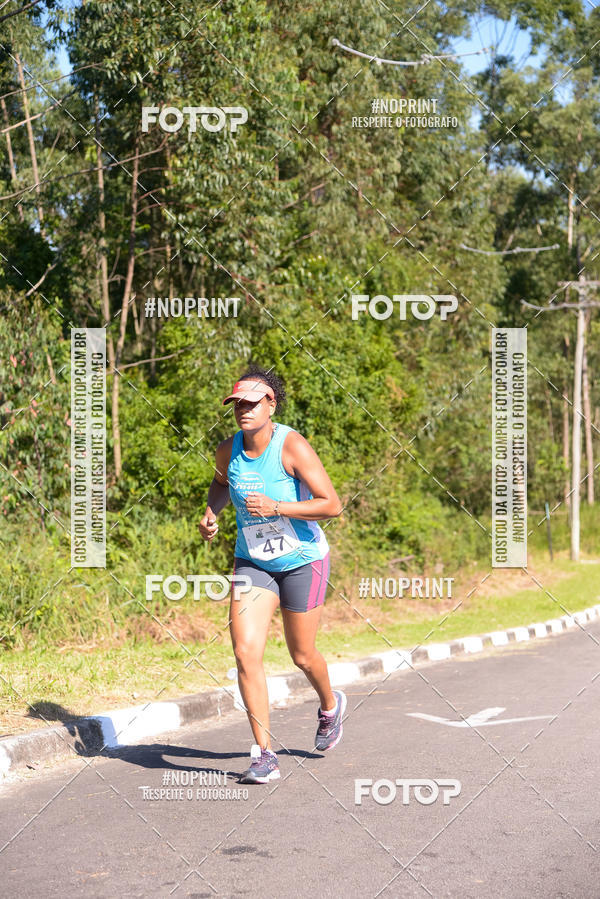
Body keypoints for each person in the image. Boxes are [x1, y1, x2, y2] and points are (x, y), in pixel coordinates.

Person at [198, 365, 346, 784]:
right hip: (254, 561)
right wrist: (212, 513)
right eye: (236, 404)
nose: (242, 410)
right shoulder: (228, 450)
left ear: (270, 404)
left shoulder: (291, 446)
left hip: (303, 559)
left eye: (251, 403)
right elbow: (220, 485)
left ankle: (330, 706)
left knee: (302, 655)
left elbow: (331, 504)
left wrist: (278, 507)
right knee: (246, 653)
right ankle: (264, 754)